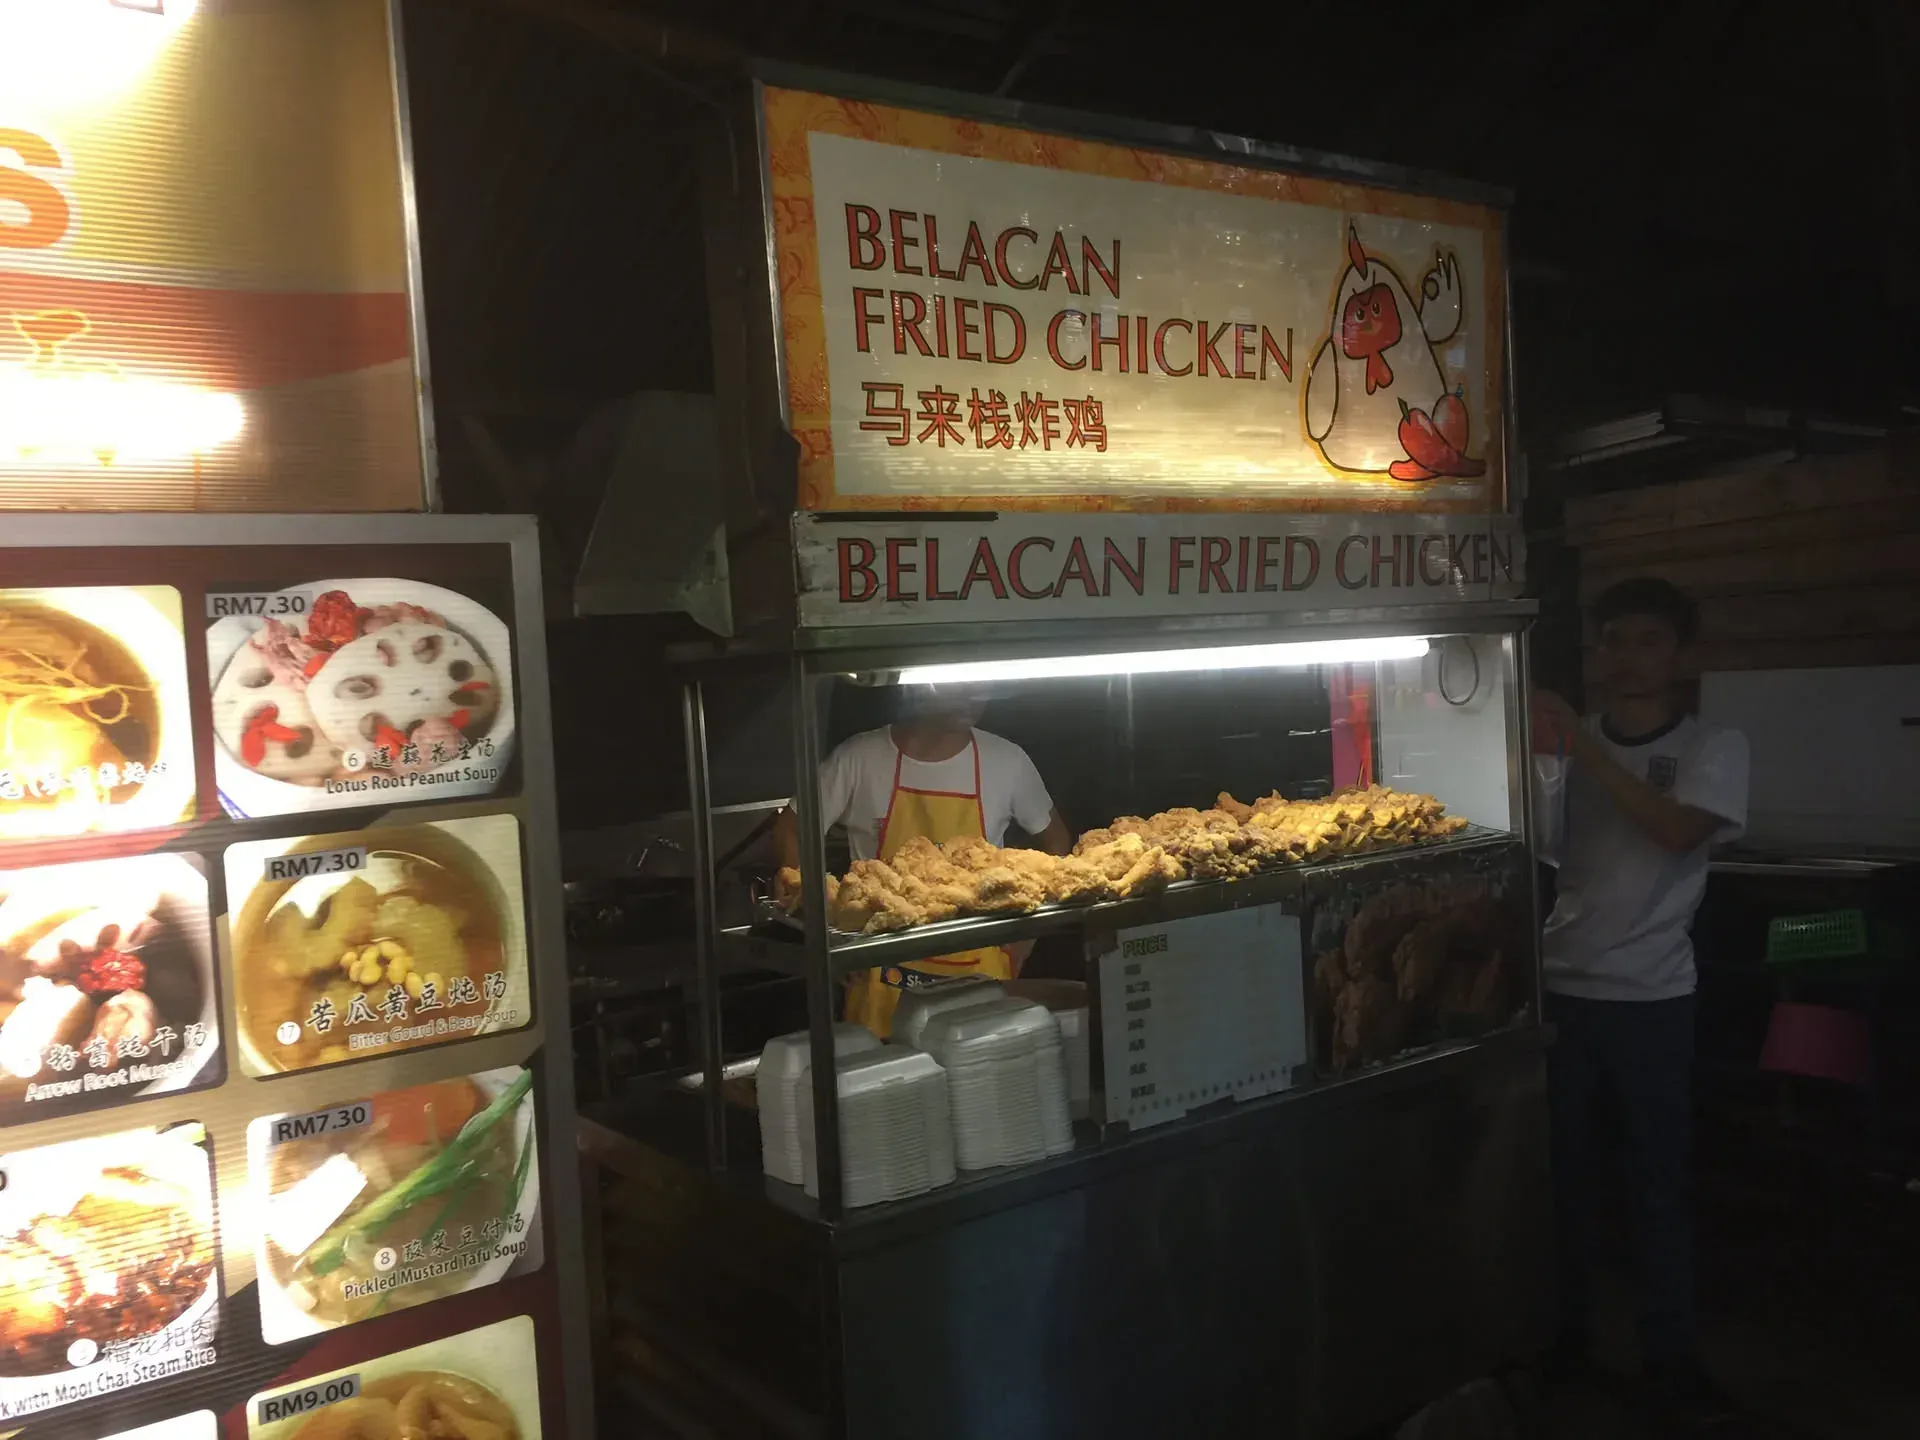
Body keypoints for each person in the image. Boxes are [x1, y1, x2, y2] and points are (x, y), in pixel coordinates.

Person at [1532, 577, 1748, 1426]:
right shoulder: (1569, 752)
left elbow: (1672, 829)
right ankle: (1566, 1341)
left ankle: (1671, 1357)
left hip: (1654, 1001)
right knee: (1563, 1185)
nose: (1629, 658)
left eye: (1650, 641)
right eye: (1615, 640)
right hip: (1564, 989)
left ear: (1683, 657)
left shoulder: (1714, 745)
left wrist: (1582, 747)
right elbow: (1545, 848)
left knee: (1657, 1185)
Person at [772, 684, 1072, 1037]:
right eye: (956, 683)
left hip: (980, 971)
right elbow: (790, 830)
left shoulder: (1007, 761)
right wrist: (825, 933)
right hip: (880, 976)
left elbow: (1057, 843)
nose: (972, 695)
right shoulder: (861, 757)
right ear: (919, 684)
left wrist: (1028, 936)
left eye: (980, 685)